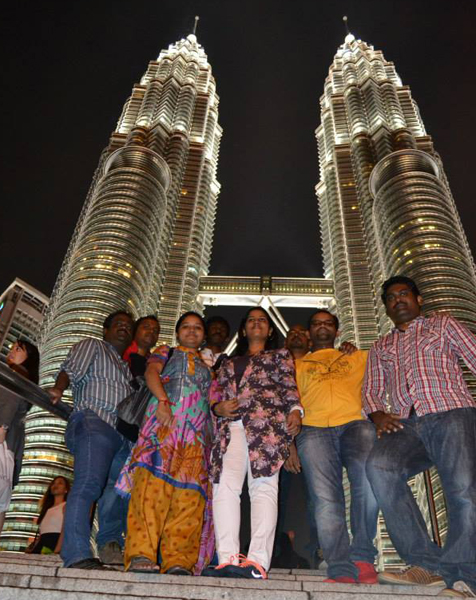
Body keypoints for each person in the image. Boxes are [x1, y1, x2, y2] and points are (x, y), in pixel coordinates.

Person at [364, 276, 476, 598]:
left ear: (419, 299)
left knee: (463, 490)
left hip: (451, 412)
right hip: (407, 423)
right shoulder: (381, 346)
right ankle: (426, 564)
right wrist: (377, 414)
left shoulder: (443, 325)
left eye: (404, 294)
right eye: (391, 298)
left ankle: (465, 577)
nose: (398, 300)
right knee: (379, 467)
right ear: (386, 308)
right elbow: (371, 390)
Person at [204, 307, 303, 580]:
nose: (256, 323)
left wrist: (295, 411)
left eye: (262, 320)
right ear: (244, 329)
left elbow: (288, 386)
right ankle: (227, 558)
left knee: (263, 489)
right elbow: (215, 394)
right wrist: (217, 408)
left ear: (270, 330)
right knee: (224, 487)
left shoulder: (280, 355)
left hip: (267, 428)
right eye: (251, 320)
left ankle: (258, 562)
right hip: (230, 428)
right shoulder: (227, 362)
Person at [117, 311, 215, 576]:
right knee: (150, 491)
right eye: (186, 326)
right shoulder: (166, 352)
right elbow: (151, 372)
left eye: (197, 327)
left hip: (195, 439)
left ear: (204, 335)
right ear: (178, 332)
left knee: (188, 498)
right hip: (162, 426)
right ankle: (141, 555)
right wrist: (162, 400)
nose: (192, 331)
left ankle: (178, 561)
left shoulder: (209, 368)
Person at [296, 309, 379, 584]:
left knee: (368, 482)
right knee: (325, 499)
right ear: (309, 333)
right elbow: (287, 403)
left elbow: (387, 370)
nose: (322, 327)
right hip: (313, 429)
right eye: (316, 323)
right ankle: (340, 567)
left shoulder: (358, 357)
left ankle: (363, 557)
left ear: (337, 331)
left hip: (355, 424)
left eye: (328, 323)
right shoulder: (296, 366)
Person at [47, 310, 134, 569]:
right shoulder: (93, 345)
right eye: (118, 324)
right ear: (106, 330)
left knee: (116, 493)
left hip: (120, 435)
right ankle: (76, 554)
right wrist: (59, 388)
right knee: (88, 485)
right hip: (94, 420)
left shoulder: (125, 368)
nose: (124, 328)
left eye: (128, 326)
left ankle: (109, 547)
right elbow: (70, 369)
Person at [95, 315, 161, 563]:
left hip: (143, 437)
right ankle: (109, 542)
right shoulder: (119, 356)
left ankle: (135, 545)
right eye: (146, 327)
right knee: (113, 486)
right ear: (135, 331)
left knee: (140, 491)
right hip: (118, 430)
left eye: (155, 329)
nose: (151, 331)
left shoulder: (157, 364)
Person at [0, 339, 39, 534]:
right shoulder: (19, 376)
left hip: (3, 440)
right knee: (2, 502)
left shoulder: (18, 375)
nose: (12, 351)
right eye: (12, 347)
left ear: (28, 358)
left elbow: (10, 402)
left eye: (18, 349)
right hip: (9, 445)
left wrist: (2, 429)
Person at [27, 476, 70, 554]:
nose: (55, 485)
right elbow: (41, 533)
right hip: (42, 545)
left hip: (55, 543)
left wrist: (57, 550)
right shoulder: (46, 509)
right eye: (53, 483)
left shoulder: (66, 506)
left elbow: (66, 529)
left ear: (66, 489)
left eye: (60, 483)